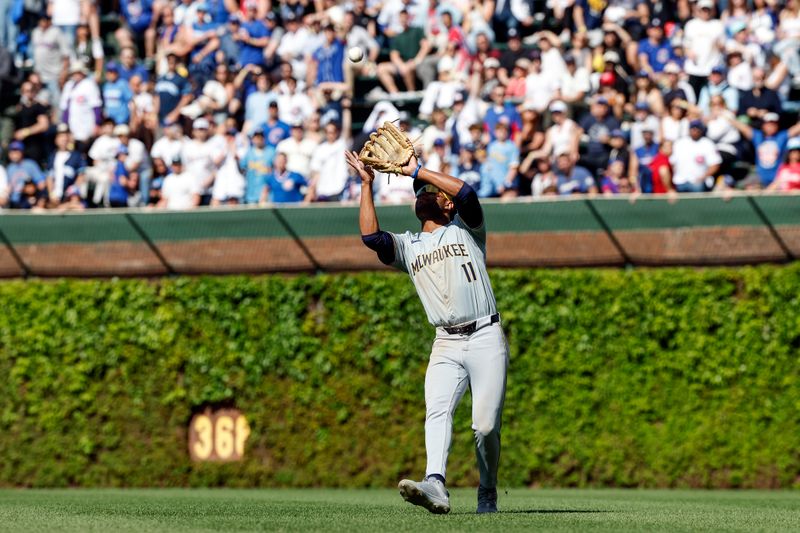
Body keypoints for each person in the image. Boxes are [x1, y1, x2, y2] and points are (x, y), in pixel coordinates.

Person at [344, 143, 508, 516]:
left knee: (484, 427)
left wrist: (416, 171)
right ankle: (435, 482)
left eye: (431, 193)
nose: (422, 197)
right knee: (436, 410)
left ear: (446, 204)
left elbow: (465, 191)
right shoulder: (409, 245)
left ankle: (487, 490)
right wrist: (367, 185)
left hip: (485, 336)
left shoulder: (468, 229)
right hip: (446, 343)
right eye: (419, 194)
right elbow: (372, 238)